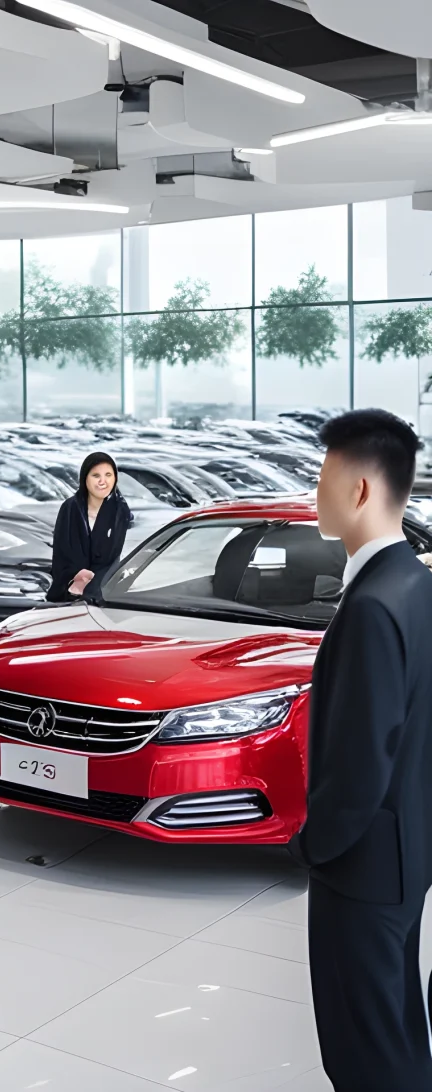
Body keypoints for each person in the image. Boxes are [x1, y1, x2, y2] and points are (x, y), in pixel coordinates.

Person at [292, 408, 432, 1090]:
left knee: (364, 1054)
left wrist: (312, 846)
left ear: (359, 491)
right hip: (404, 859)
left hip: (361, 871)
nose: (315, 491)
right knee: (396, 1028)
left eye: (325, 476)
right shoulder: (417, 585)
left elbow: (359, 765)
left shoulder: (374, 605)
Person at [47, 452, 131, 605]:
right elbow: (61, 552)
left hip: (102, 589)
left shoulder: (120, 510)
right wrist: (76, 576)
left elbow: (111, 557)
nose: (102, 481)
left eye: (108, 475)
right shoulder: (70, 507)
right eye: (96, 476)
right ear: (85, 478)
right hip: (69, 586)